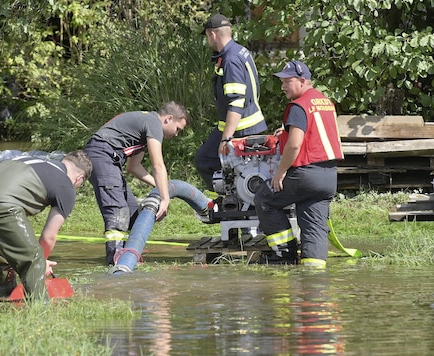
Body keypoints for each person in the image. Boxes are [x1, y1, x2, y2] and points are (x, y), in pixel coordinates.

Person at [0, 150, 92, 300]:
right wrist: (41, 263)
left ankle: (7, 298)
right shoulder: (66, 187)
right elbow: (48, 237)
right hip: (1, 203)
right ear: (79, 179)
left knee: (2, 254)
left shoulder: (33, 160)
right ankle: (40, 309)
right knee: (34, 260)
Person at [254, 60, 344, 267]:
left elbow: (295, 145)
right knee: (313, 222)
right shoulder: (325, 101)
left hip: (305, 174)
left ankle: (284, 255)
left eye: (288, 81)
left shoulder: (298, 105)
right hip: (329, 176)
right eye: (282, 82)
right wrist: (285, 131)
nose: (283, 86)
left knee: (265, 199)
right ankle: (314, 278)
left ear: (303, 81)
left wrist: (280, 173)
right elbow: (315, 132)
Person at [83, 102, 189, 265]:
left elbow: (134, 167)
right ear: (169, 119)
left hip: (108, 158)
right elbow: (157, 165)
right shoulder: (154, 123)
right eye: (177, 129)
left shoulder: (143, 127)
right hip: (101, 155)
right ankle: (117, 259)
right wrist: (165, 197)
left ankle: (126, 253)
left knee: (133, 215)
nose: (176, 134)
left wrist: (161, 187)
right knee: (118, 210)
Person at [195, 14, 267, 191]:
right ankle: (238, 196)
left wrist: (226, 139)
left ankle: (230, 198)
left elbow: (236, 101)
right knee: (238, 168)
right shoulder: (239, 51)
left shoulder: (231, 60)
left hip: (240, 128)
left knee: (205, 160)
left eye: (206, 36)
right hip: (249, 125)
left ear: (213, 34)